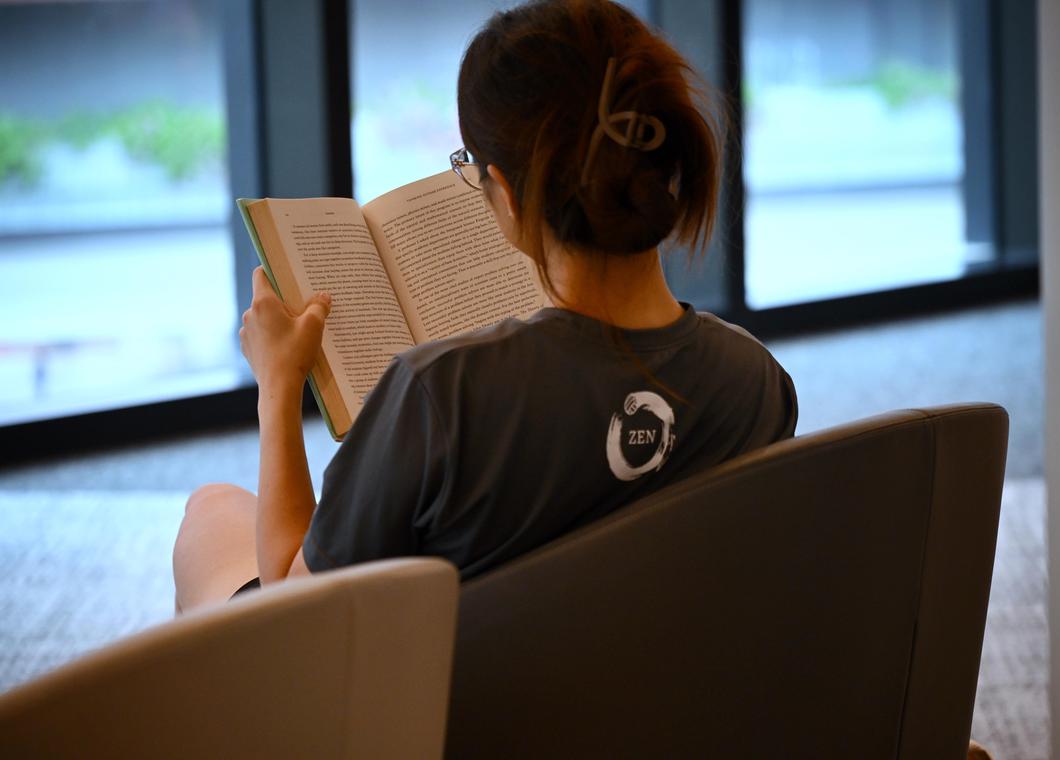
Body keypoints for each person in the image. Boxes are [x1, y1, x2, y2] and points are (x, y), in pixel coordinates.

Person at [172, 0, 797, 612]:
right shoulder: (756, 380)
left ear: (505, 191)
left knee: (211, 508)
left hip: (450, 682)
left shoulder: (442, 394)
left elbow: (293, 605)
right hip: (653, 668)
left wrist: (278, 385)